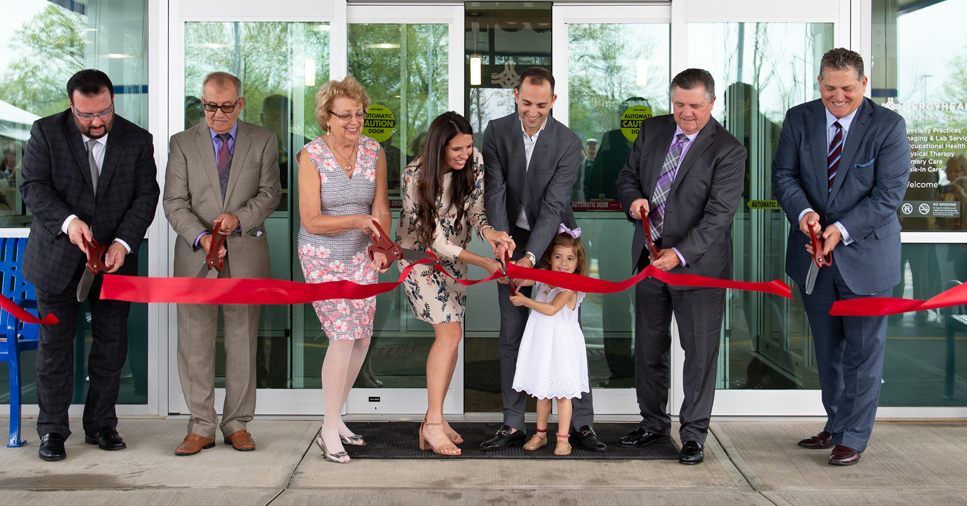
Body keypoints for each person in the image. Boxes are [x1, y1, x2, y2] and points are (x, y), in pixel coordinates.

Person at [772, 48, 910, 466]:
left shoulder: (888, 125)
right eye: (830, 88)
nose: (838, 96)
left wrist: (841, 229)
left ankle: (854, 436)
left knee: (864, 353)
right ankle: (835, 424)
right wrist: (806, 214)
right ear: (819, 84)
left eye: (847, 89)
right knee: (827, 351)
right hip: (813, 258)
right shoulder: (800, 118)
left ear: (863, 85)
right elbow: (784, 176)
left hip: (866, 259)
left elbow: (888, 194)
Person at [19, 69, 160, 461]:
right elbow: (32, 186)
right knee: (55, 349)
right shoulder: (46, 133)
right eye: (87, 114)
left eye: (105, 111)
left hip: (114, 263)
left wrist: (123, 242)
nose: (97, 121)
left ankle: (101, 424)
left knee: (111, 346)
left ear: (112, 101)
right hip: (57, 260)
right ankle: (52, 431)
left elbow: (146, 195)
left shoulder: (136, 139)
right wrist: (69, 223)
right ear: (72, 105)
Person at [615, 68, 746, 465]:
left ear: (712, 102)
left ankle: (693, 434)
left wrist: (680, 254)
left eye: (694, 106)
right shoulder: (653, 130)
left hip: (698, 267)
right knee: (649, 349)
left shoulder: (728, 149)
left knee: (700, 354)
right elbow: (626, 177)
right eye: (678, 105)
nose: (685, 113)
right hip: (648, 260)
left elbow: (718, 216)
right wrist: (634, 199)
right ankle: (652, 423)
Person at [481, 66, 606, 452]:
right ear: (515, 95)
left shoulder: (567, 142)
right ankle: (513, 423)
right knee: (513, 334)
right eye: (526, 103)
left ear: (553, 101)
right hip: (510, 238)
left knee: (566, 332)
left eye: (541, 105)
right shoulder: (496, 132)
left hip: (554, 244)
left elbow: (553, 207)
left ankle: (581, 425)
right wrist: (504, 247)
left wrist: (533, 256)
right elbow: (496, 192)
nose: (532, 112)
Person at [163, 71, 282, 456]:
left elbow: (270, 194)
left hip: (246, 253)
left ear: (240, 104)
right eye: (210, 106)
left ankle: (237, 424)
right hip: (196, 257)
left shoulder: (263, 140)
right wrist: (202, 238)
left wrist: (239, 218)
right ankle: (200, 426)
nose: (216, 114)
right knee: (195, 344)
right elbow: (174, 202)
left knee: (242, 342)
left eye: (225, 107)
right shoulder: (182, 143)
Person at [397, 111, 514, 456]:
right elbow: (434, 241)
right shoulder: (413, 177)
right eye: (456, 149)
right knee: (449, 335)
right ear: (438, 147)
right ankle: (432, 423)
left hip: (456, 259)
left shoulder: (474, 161)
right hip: (421, 259)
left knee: (453, 336)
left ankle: (435, 418)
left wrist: (491, 234)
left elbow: (477, 208)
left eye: (468, 146)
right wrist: (484, 262)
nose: (465, 154)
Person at [296, 76, 392, 464]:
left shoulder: (374, 151)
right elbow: (311, 220)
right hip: (322, 255)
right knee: (341, 335)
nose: (355, 121)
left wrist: (381, 245)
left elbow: (382, 206)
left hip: (362, 255)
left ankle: (335, 420)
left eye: (360, 114)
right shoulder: (311, 155)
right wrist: (357, 221)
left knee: (362, 338)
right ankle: (328, 428)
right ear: (327, 118)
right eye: (346, 115)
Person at [511, 226, 590, 456]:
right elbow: (524, 280)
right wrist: (511, 274)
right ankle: (540, 434)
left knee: (563, 395)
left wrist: (525, 302)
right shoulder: (543, 280)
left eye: (569, 258)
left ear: (578, 262)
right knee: (542, 393)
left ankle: (563, 439)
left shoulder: (572, 286)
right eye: (558, 257)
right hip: (543, 344)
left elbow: (552, 309)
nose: (563, 263)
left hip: (562, 347)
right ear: (549, 258)